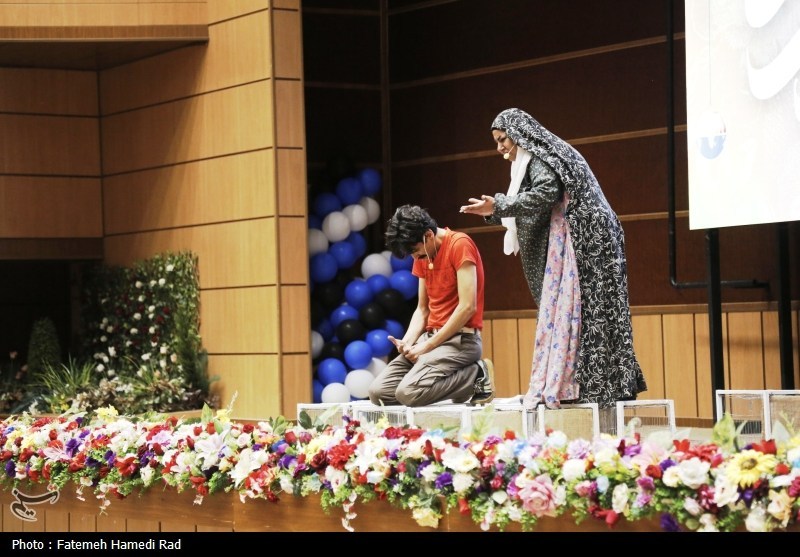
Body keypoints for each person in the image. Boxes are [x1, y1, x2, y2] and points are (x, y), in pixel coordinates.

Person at [460, 108, 646, 410]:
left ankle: (587, 386)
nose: (500, 147)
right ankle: (589, 385)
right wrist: (496, 211)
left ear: (520, 134)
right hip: (590, 236)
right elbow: (535, 205)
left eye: (503, 139)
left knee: (583, 311)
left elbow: (546, 193)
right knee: (584, 312)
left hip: (586, 240)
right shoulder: (544, 154)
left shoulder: (538, 157)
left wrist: (499, 206)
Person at [368, 204, 495, 407]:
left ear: (428, 235)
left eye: (416, 252)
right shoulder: (423, 253)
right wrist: (408, 342)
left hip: (461, 341)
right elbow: (422, 309)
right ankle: (458, 383)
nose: (415, 258)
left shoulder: (459, 244)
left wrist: (427, 346)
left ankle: (476, 374)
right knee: (378, 393)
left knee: (408, 393)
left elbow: (467, 307)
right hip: (430, 338)